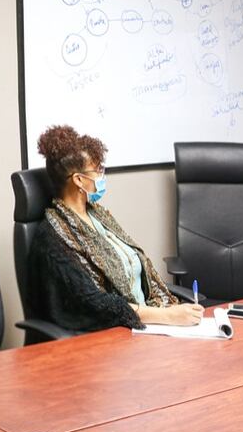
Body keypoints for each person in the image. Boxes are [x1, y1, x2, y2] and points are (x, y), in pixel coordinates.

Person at [27, 125, 203, 331]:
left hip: (149, 321)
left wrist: (169, 310)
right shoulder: (52, 239)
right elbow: (94, 303)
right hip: (114, 333)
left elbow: (135, 264)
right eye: (97, 170)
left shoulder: (98, 216)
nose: (102, 176)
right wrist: (166, 316)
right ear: (78, 180)